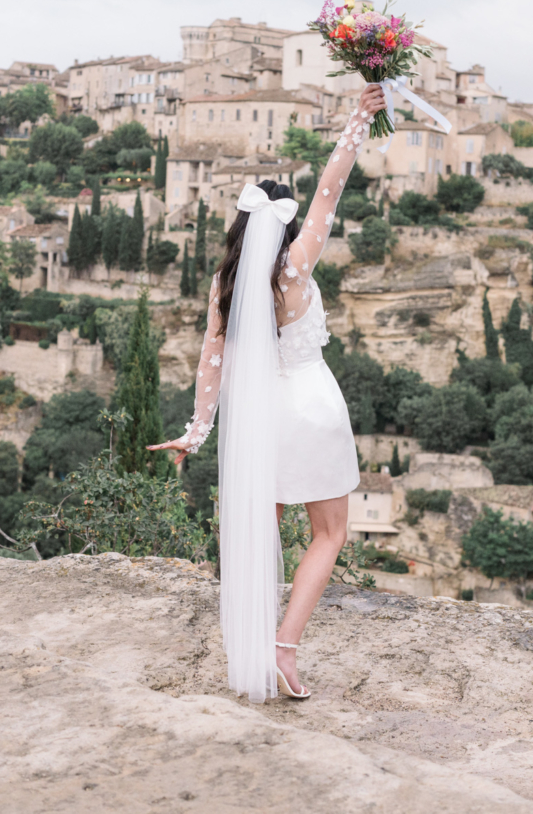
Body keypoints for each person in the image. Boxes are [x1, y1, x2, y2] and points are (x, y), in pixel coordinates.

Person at [150, 83, 386, 702]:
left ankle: (254, 650)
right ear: (282, 228)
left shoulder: (225, 286)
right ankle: (284, 648)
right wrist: (359, 118)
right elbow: (332, 186)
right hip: (311, 407)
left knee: (262, 532)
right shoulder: (297, 267)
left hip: (258, 416)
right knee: (329, 535)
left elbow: (211, 359)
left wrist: (197, 431)